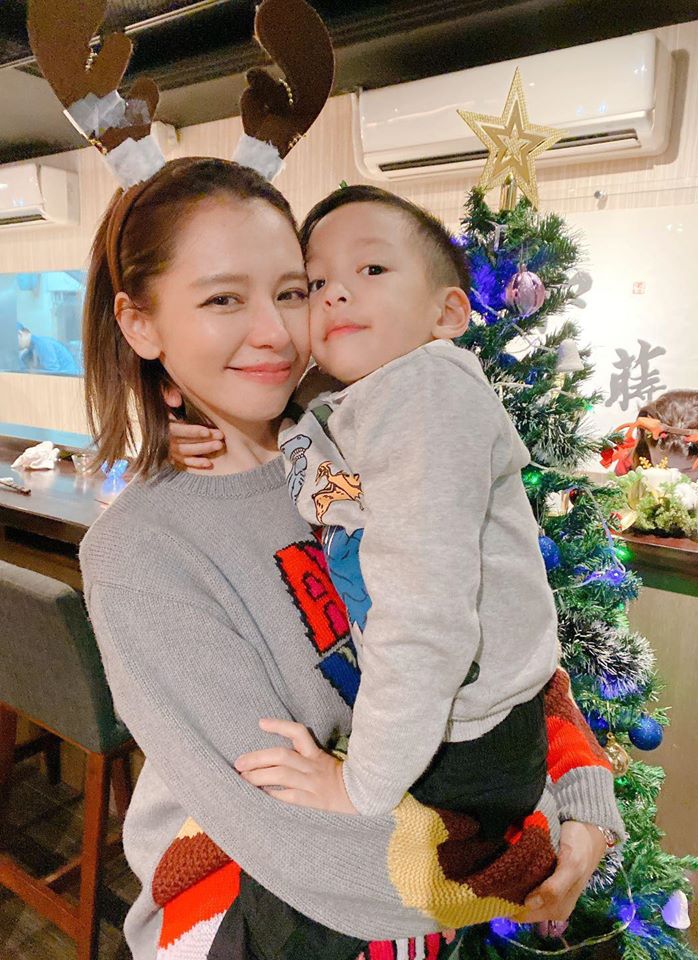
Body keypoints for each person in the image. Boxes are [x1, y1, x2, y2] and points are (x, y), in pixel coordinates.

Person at [85, 158, 625, 959]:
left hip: (419, 899)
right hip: (258, 914)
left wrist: (585, 801)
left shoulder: (353, 446)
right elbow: (294, 832)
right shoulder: (143, 554)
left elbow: (497, 645)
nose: (275, 332)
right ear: (141, 325)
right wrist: (530, 850)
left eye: (291, 291)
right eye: (223, 299)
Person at [230, 185, 560, 865]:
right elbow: (315, 464)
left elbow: (423, 609)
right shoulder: (352, 400)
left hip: (465, 739)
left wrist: (361, 787)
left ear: (448, 313)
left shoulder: (426, 393)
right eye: (314, 284)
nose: (335, 294)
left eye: (372, 268)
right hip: (435, 722)